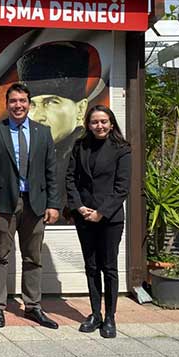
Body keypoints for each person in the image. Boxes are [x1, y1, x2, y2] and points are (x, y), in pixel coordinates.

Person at [0, 83, 61, 329]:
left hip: (35, 203)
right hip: (4, 203)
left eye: (22, 101)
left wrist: (53, 204)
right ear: (7, 104)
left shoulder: (43, 132)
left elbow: (51, 171)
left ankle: (33, 306)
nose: (18, 105)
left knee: (33, 257)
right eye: (13, 101)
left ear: (29, 103)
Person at [66, 105, 131, 339]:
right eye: (94, 122)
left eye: (103, 121)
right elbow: (70, 178)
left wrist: (101, 213)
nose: (99, 126)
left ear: (111, 124)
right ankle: (95, 314)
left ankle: (110, 317)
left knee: (109, 267)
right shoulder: (80, 146)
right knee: (91, 266)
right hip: (84, 216)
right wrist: (78, 206)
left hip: (109, 219)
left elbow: (122, 187)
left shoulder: (122, 149)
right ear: (88, 124)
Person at [17, 42, 91, 219]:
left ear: (80, 109)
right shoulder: (19, 146)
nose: (39, 117)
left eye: (51, 102)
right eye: (32, 104)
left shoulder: (87, 151)